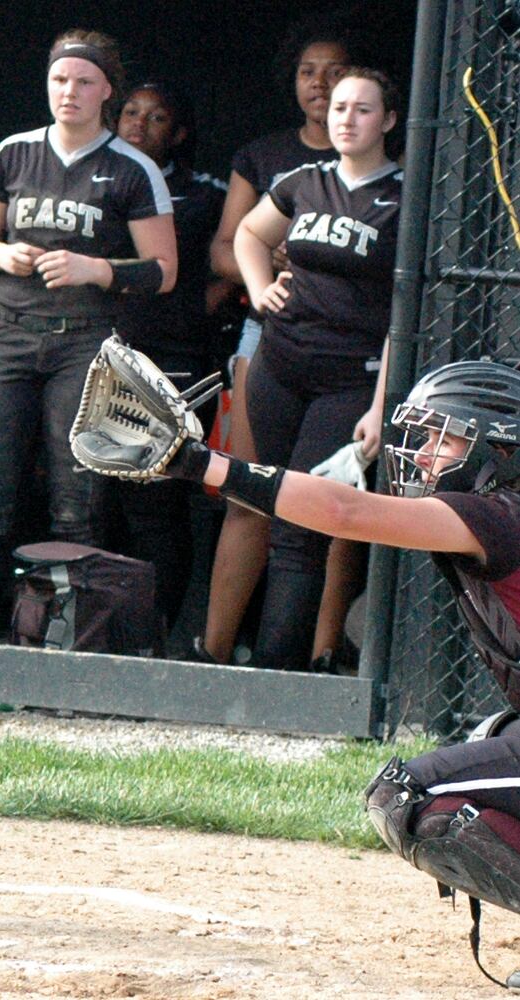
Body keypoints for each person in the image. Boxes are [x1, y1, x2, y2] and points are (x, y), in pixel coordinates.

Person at [93, 356, 520, 986]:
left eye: (446, 438)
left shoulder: (498, 514)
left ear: (502, 451)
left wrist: (200, 462)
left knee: (415, 795)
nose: (425, 455)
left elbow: (345, 512)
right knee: (493, 740)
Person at [0, 29, 176, 639]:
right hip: (8, 332)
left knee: (78, 502)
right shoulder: (14, 152)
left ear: (107, 90)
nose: (69, 92)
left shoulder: (132, 168)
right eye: (59, 79)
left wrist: (96, 269)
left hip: (85, 337)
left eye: (83, 81)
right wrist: (3, 256)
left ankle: (71, 647)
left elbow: (164, 271)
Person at [228, 68, 400, 671]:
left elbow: (402, 315)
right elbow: (248, 233)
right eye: (339, 108)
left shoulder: (405, 197)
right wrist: (257, 289)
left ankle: (278, 671)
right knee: (273, 509)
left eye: (361, 109)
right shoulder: (303, 181)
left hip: (348, 379)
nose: (346, 119)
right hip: (278, 367)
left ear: (388, 121)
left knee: (304, 523)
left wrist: (381, 405)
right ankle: (269, 660)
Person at [196, 30, 350, 664]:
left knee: (336, 508)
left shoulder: (386, 170)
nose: (319, 84)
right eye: (307, 72)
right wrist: (265, 270)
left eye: (334, 72)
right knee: (251, 493)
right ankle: (213, 650)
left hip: (348, 350)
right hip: (270, 339)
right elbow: (224, 248)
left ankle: (319, 658)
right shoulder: (266, 155)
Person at [108, 80, 230, 626]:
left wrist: (193, 311)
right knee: (96, 495)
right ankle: (96, 622)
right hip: (105, 348)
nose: (138, 123)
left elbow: (228, 260)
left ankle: (154, 631)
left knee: (157, 498)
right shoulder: (99, 175)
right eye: (130, 112)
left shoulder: (207, 192)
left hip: (175, 357)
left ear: (178, 133)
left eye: (155, 117)